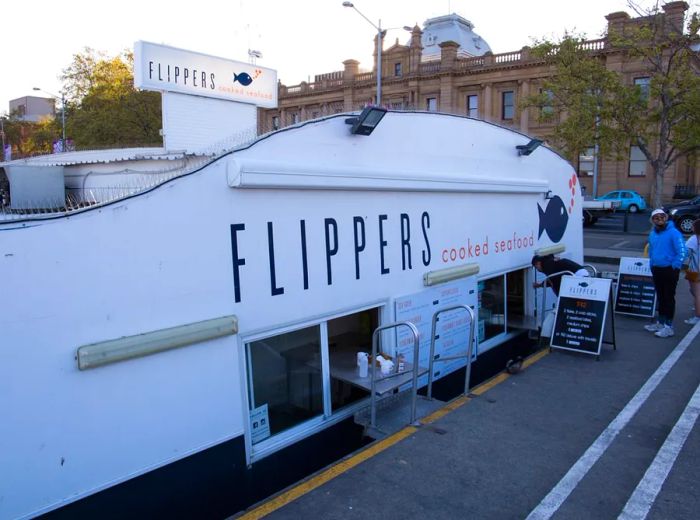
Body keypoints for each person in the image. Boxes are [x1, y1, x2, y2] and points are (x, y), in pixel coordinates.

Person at [645, 208, 686, 337]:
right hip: (657, 269)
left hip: (669, 270)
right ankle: (661, 322)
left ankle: (668, 327)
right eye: (656, 218)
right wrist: (652, 263)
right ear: (652, 220)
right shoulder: (652, 234)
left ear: (666, 218)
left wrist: (675, 265)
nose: (659, 219)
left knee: (669, 297)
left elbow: (682, 251)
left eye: (662, 217)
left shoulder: (674, 233)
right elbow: (651, 250)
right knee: (661, 297)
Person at [683, 219, 700, 325]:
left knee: (696, 293)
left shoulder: (693, 239)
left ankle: (698, 316)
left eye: (693, 226)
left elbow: (685, 253)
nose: (691, 227)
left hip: (696, 271)